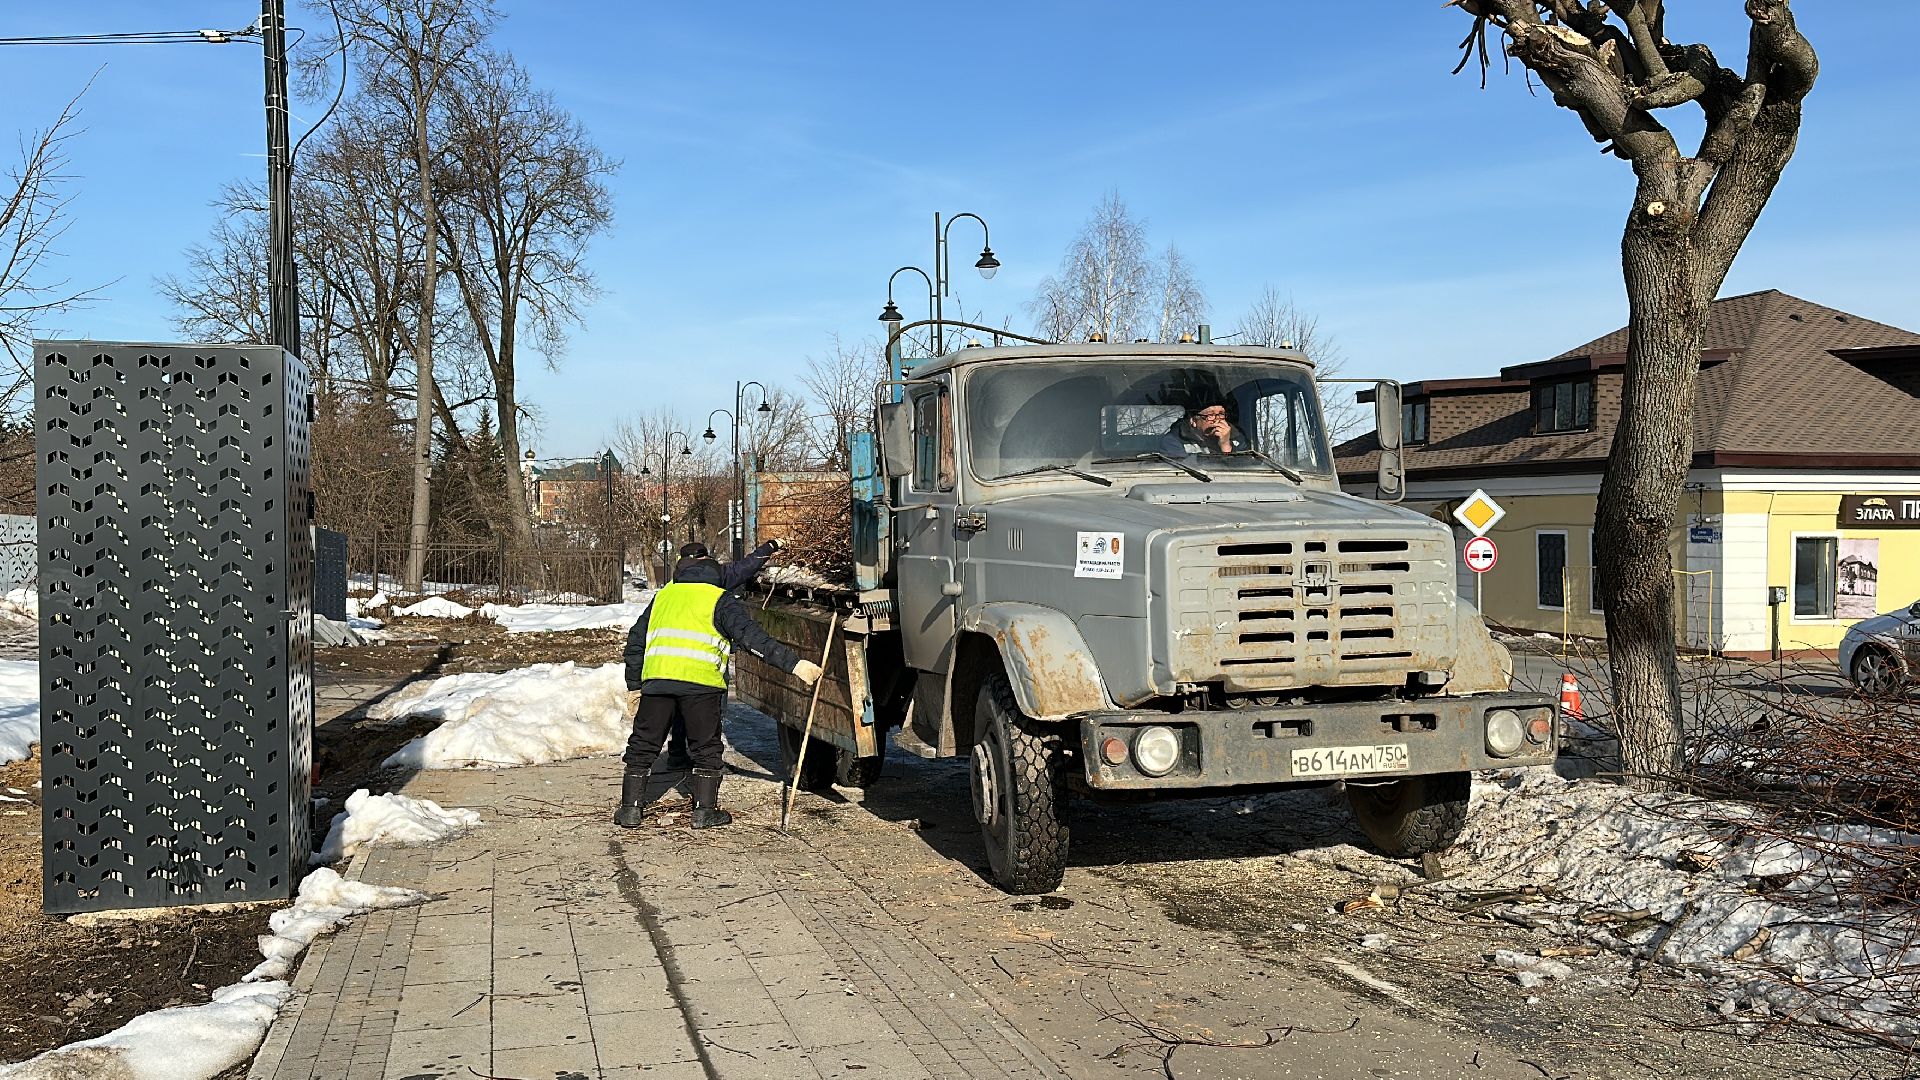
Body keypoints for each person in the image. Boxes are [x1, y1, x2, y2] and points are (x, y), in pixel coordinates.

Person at [615, 541, 822, 828]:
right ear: (714, 571)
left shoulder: (664, 596)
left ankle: (629, 809)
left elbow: (636, 641)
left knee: (643, 744)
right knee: (706, 748)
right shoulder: (719, 599)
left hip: (657, 682)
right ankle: (704, 811)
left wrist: (635, 685)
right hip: (701, 685)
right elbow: (752, 638)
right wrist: (794, 664)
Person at [659, 538, 783, 769]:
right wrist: (770, 547)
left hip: (671, 660)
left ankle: (677, 754)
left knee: (679, 708)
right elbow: (746, 567)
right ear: (704, 558)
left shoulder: (671, 587)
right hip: (705, 660)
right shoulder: (716, 576)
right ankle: (706, 763)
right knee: (711, 712)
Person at [1160, 401, 1249, 457]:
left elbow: (1246, 469)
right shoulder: (1173, 441)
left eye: (1221, 414)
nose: (1217, 419)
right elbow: (1183, 471)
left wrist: (1226, 446)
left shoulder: (1236, 437)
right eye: (1210, 415)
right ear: (1193, 421)